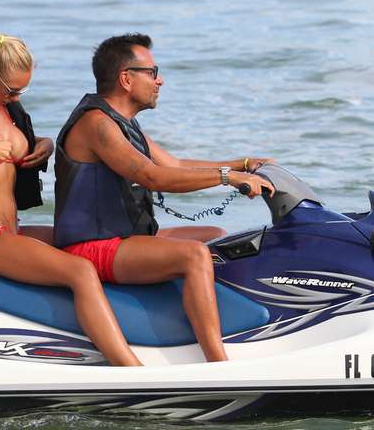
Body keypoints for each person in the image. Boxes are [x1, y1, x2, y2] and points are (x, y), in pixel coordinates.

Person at [0, 32, 143, 366]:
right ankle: (130, 368)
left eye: (22, 90)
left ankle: (145, 339)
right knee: (80, 270)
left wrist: (44, 145)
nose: (16, 96)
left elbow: (17, 145)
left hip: (13, 231)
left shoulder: (6, 108)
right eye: (11, 89)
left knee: (89, 242)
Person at [54, 33, 276, 362]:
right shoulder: (97, 125)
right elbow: (152, 176)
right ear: (126, 79)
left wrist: (242, 164)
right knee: (194, 255)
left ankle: (215, 326)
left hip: (123, 237)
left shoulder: (123, 124)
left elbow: (175, 165)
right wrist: (228, 178)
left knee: (216, 237)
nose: (160, 80)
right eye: (152, 72)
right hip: (93, 247)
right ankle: (218, 364)